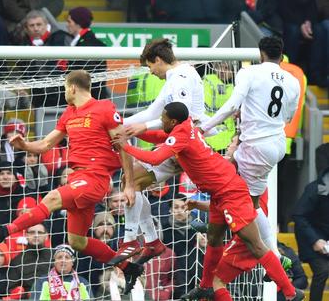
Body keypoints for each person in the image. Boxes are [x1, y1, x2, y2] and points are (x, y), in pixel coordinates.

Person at [112, 101, 303, 301]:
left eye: (163, 119)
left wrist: (125, 145)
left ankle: (290, 292)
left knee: (255, 244)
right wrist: (132, 132)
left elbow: (155, 158)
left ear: (173, 121)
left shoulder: (181, 135)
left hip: (230, 193)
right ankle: (205, 286)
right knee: (213, 238)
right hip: (218, 194)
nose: (161, 122)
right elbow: (159, 136)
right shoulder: (183, 129)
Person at [0, 70, 143, 294]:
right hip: (78, 178)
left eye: (65, 88)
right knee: (77, 241)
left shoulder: (104, 107)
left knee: (52, 197)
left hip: (95, 178)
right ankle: (127, 266)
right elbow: (45, 144)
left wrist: (129, 184)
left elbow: (124, 144)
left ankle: (4, 231)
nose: (65, 92)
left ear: (72, 88)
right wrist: (24, 146)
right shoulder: (68, 113)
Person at [200, 36, 299, 268]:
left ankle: (224, 230)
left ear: (260, 54)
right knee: (250, 201)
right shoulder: (293, 81)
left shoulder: (249, 72)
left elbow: (233, 105)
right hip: (276, 144)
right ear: (281, 55)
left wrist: (204, 127)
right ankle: (272, 250)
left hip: (256, 144)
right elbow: (288, 117)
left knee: (232, 188)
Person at [114, 38, 206, 265]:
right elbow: (153, 111)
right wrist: (121, 124)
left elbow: (181, 118)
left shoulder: (181, 79)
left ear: (157, 60)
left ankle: (131, 240)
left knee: (132, 181)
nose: (151, 72)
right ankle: (151, 241)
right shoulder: (176, 76)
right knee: (130, 178)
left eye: (149, 66)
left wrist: (141, 128)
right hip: (178, 142)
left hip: (185, 147)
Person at [292, 171, 329, 301]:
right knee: (323, 270)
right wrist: (315, 240)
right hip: (309, 238)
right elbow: (298, 215)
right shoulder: (315, 189)